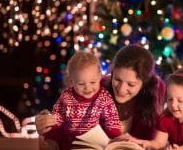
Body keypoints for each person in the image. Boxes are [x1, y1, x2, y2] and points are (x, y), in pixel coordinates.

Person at [36, 45, 166, 143]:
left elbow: (155, 142)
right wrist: (48, 125)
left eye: (131, 84)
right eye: (117, 79)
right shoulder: (98, 87)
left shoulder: (154, 94)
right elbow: (70, 122)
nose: (121, 89)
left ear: (144, 84)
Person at [39, 51, 122, 149]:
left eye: (93, 82)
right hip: (70, 143)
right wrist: (51, 140)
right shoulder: (66, 97)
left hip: (94, 145)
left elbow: (111, 121)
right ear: (71, 81)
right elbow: (57, 122)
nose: (88, 88)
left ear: (100, 76)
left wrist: (114, 139)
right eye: (81, 84)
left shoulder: (104, 97)